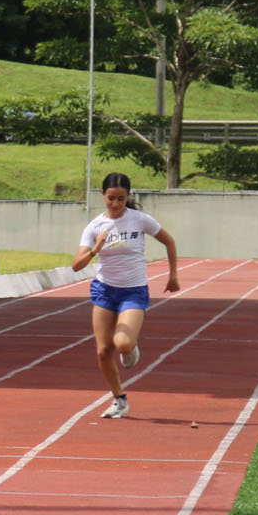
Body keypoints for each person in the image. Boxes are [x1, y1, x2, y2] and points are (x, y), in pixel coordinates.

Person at [71, 172, 180, 419]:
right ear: (102, 195)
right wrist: (95, 250)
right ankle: (119, 399)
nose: (116, 204)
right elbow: (76, 265)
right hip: (104, 290)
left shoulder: (140, 220)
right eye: (111, 198)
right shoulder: (95, 226)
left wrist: (173, 275)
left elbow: (169, 241)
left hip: (133, 290)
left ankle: (131, 348)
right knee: (102, 351)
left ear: (128, 197)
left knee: (123, 344)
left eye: (121, 199)